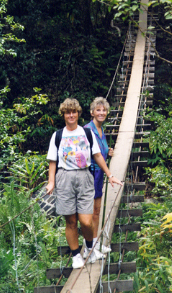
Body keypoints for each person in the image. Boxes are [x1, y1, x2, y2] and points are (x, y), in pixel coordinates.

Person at [46, 98, 122, 269]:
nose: (71, 115)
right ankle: (75, 256)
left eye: (74, 112)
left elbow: (97, 155)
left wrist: (109, 175)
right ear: (63, 115)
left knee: (86, 221)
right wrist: (51, 182)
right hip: (64, 178)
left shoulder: (87, 134)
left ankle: (88, 246)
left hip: (84, 177)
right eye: (67, 112)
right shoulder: (57, 136)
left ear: (78, 114)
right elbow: (52, 161)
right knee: (71, 221)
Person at [84, 97, 113, 255]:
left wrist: (108, 153)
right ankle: (88, 247)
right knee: (87, 213)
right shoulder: (87, 130)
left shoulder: (102, 130)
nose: (102, 113)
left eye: (104, 110)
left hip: (99, 174)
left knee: (96, 211)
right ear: (92, 112)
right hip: (89, 174)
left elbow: (100, 152)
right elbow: (89, 154)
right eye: (98, 110)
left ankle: (95, 244)